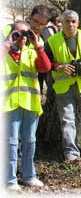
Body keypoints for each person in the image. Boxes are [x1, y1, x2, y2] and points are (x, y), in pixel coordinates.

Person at [44, 10, 81, 162]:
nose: (70, 24)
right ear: (61, 23)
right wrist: (58, 67)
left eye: (73, 21)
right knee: (67, 121)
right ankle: (71, 154)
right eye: (67, 21)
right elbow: (46, 61)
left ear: (78, 23)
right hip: (63, 87)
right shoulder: (52, 40)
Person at [1, 21, 51, 190]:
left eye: (25, 34)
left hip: (30, 102)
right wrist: (7, 44)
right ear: (11, 34)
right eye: (17, 33)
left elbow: (45, 67)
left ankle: (29, 176)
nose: (22, 37)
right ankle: (9, 179)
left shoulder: (31, 52)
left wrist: (38, 46)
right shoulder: (5, 52)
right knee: (11, 142)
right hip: (9, 104)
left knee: (30, 141)